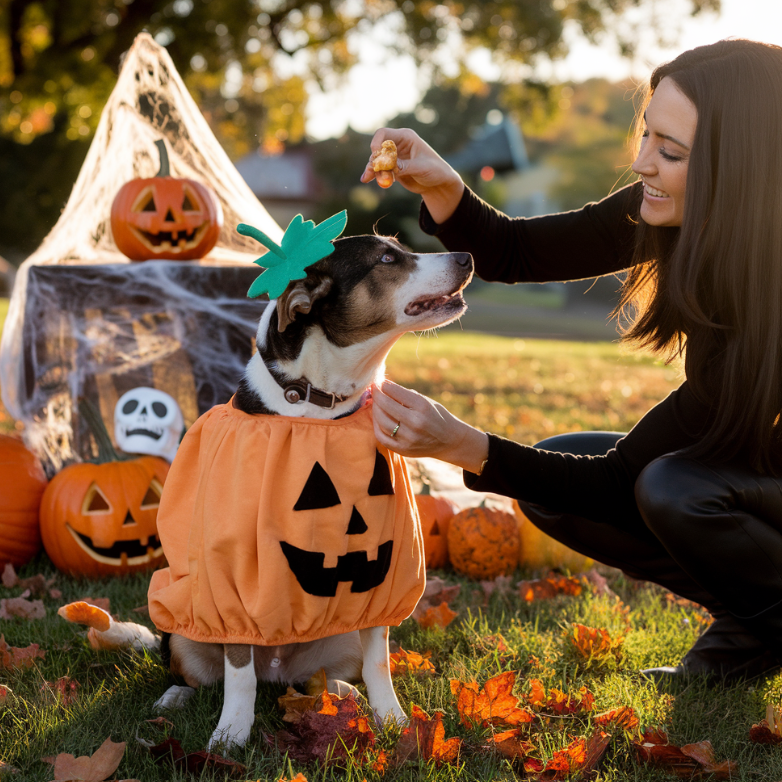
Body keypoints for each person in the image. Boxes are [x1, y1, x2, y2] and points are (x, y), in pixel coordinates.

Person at [360, 38, 782, 684]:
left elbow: (623, 482)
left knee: (673, 491)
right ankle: (753, 622)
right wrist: (447, 188)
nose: (642, 164)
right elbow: (517, 252)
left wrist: (465, 445)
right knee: (564, 483)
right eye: (646, 137)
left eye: (670, 152)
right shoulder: (675, 211)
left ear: (743, 168)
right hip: (759, 473)